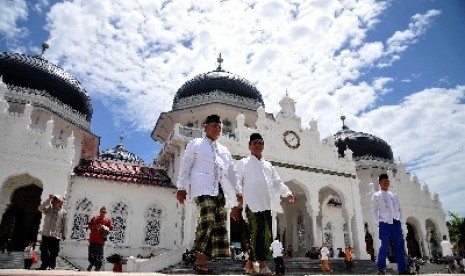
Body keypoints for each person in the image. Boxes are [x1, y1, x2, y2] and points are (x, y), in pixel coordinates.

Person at [176, 114, 242, 274]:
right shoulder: (196, 144)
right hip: (202, 188)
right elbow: (186, 165)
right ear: (205, 127)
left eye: (219, 127)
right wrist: (181, 187)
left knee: (218, 225)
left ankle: (205, 262)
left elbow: (232, 173)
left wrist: (238, 193)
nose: (217, 129)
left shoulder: (224, 150)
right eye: (214, 126)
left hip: (220, 191)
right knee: (208, 217)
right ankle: (199, 259)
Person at [233, 133, 295, 275]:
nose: (258, 145)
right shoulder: (243, 163)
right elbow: (236, 183)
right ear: (249, 146)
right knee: (256, 235)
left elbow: (277, 183)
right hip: (252, 205)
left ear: (263, 146)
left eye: (260, 143)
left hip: (267, 205)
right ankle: (262, 266)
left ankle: (249, 266)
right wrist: (237, 203)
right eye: (255, 143)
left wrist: (288, 193)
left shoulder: (269, 166)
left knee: (265, 236)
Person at [371, 173, 412, 275]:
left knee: (399, 246)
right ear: (380, 183)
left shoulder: (393, 195)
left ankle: (402, 269)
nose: (386, 183)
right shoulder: (376, 195)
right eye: (384, 181)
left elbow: (398, 208)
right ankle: (381, 268)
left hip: (396, 223)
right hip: (384, 223)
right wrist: (378, 222)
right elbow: (374, 210)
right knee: (384, 246)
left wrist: (400, 219)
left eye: (387, 181)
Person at [37, 194, 67, 270]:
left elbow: (64, 224)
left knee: (54, 252)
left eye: (58, 200)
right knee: (44, 250)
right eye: (55, 200)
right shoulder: (49, 209)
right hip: (46, 233)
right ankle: (44, 265)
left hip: (56, 235)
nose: (56, 202)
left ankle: (52, 265)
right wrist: (48, 200)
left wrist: (64, 234)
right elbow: (40, 208)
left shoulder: (63, 212)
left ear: (61, 202)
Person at [87, 206, 113, 271]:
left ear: (105, 213)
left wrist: (106, 229)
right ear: (100, 212)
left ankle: (97, 268)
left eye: (104, 212)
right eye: (102, 212)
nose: (103, 213)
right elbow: (89, 226)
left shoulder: (107, 220)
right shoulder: (94, 218)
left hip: (101, 241)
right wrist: (95, 227)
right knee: (91, 254)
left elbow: (110, 228)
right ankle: (91, 264)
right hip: (93, 239)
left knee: (99, 255)